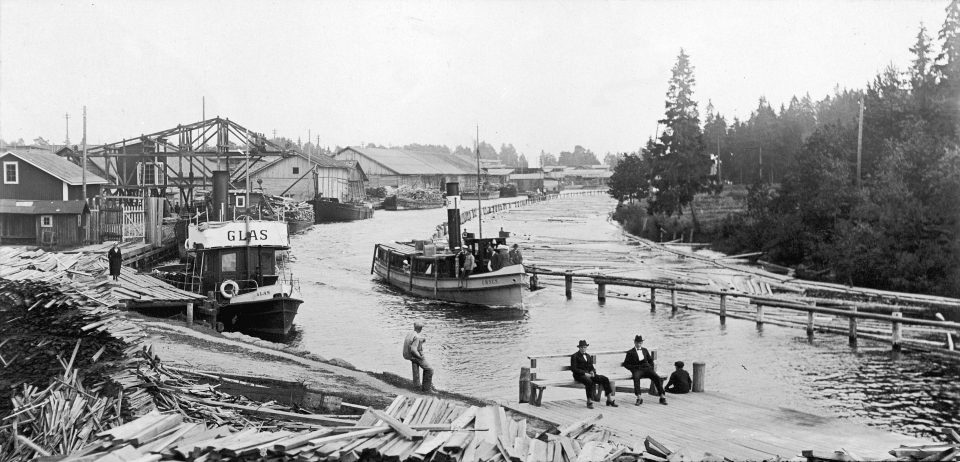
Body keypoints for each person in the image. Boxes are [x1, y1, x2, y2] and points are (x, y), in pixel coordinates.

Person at [570, 340, 616, 408]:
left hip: (589, 374)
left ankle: (609, 400)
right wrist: (585, 373)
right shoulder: (575, 356)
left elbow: (591, 367)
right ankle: (589, 401)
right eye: (581, 347)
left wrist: (592, 372)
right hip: (579, 375)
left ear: (586, 347)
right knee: (589, 381)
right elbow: (574, 369)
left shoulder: (588, 356)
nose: (583, 349)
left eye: (584, 347)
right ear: (579, 348)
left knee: (604, 379)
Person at [623, 335, 667, 405]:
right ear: (634, 342)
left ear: (642, 343)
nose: (638, 344)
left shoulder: (645, 350)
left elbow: (650, 360)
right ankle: (639, 397)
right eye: (637, 343)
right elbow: (625, 364)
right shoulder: (630, 352)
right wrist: (633, 369)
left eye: (640, 343)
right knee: (636, 378)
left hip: (647, 368)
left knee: (656, 377)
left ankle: (662, 396)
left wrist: (651, 368)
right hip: (637, 369)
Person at [402, 321, 436, 393]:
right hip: (413, 355)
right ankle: (427, 389)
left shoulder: (409, 333)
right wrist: (420, 357)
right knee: (429, 370)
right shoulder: (417, 337)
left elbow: (410, 343)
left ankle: (416, 385)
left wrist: (421, 341)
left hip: (407, 355)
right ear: (420, 328)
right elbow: (413, 350)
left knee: (415, 363)